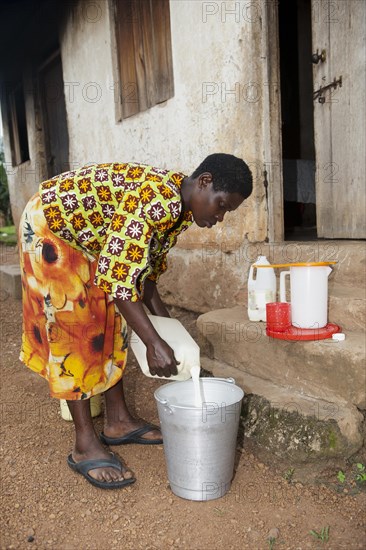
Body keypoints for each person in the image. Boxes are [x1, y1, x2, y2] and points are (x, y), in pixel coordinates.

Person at [19, 153, 253, 489]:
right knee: (77, 327)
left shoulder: (179, 211)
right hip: (52, 226)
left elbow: (144, 280)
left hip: (88, 235)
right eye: (221, 206)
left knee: (113, 323)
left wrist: (169, 335)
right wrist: (155, 344)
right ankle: (85, 444)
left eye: (226, 212)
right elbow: (120, 283)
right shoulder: (158, 201)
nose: (219, 217)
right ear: (205, 181)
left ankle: (118, 422)